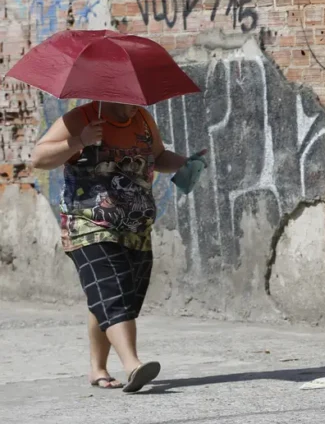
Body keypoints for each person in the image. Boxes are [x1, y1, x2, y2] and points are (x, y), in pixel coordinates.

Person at [31, 101, 205, 393]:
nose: (136, 106)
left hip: (135, 229)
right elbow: (39, 158)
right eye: (130, 102)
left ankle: (97, 368)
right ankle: (133, 365)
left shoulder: (144, 120)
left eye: (140, 102)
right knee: (114, 290)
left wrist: (184, 163)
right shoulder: (81, 117)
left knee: (111, 295)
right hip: (88, 225)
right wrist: (80, 140)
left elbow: (157, 156)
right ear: (110, 93)